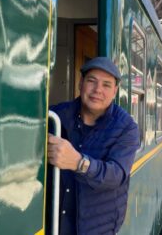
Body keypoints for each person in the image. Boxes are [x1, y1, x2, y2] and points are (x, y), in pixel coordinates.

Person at [48, 57, 140, 235]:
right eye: (92, 81)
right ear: (81, 83)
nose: (98, 90)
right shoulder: (56, 116)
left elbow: (116, 175)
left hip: (97, 229)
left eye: (106, 85)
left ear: (114, 91)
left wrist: (78, 163)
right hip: (55, 225)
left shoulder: (127, 127)